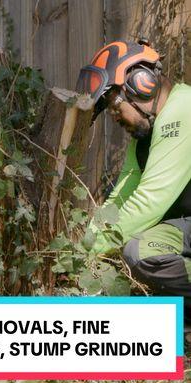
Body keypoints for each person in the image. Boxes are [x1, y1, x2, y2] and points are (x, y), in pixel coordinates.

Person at [77, 40, 191, 321]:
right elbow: (122, 196)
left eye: (114, 105)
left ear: (142, 83)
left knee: (138, 251)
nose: (114, 116)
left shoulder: (183, 109)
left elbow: (150, 201)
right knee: (141, 247)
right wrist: (85, 245)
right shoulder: (147, 134)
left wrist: (91, 255)